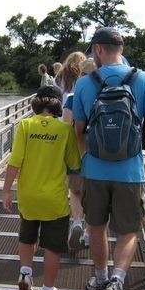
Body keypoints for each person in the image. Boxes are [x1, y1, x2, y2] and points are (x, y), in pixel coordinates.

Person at [73, 27, 145, 290]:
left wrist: (89, 153)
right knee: (127, 231)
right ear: (120, 48)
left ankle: (100, 279)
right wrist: (138, 143)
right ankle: (118, 279)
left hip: (95, 170)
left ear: (98, 50)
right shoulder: (144, 79)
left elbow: (78, 128)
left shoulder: (86, 83)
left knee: (97, 227)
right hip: (130, 171)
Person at [2, 86, 81, 290]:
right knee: (52, 246)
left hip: (28, 197)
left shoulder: (25, 125)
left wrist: (7, 190)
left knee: (27, 235)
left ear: (37, 103)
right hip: (54, 200)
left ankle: (26, 273)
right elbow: (74, 163)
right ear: (58, 103)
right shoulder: (65, 130)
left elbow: (14, 161)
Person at [55, 51, 89, 250]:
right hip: (99, 151)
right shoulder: (97, 92)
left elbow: (67, 124)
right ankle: (88, 232)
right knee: (94, 194)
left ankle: (76, 221)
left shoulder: (64, 84)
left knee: (75, 190)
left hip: (75, 146)